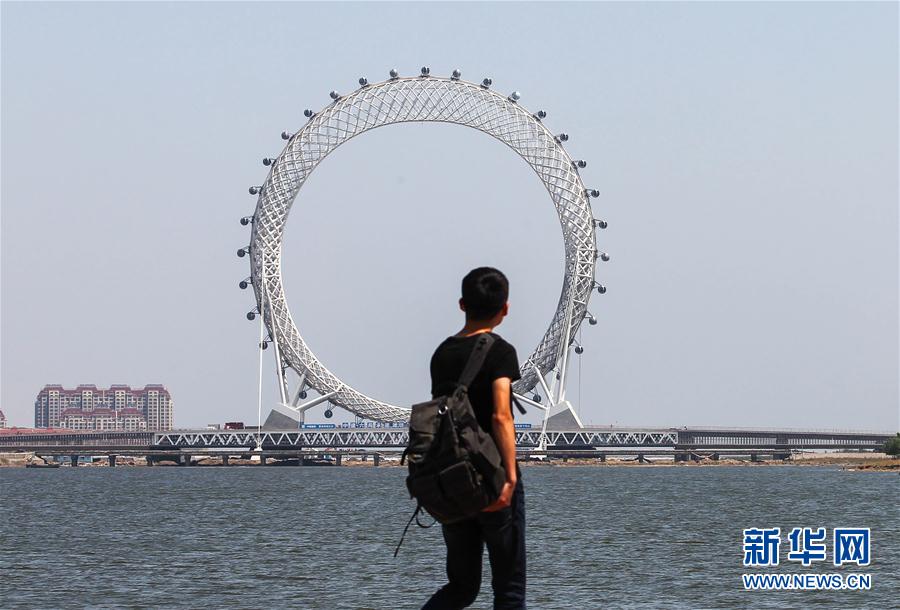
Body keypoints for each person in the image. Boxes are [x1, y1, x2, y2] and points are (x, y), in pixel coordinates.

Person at [422, 267, 526, 610]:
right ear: (505, 308)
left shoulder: (442, 353)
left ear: (462, 304)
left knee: (462, 587)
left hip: (453, 479)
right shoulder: (500, 352)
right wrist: (509, 477)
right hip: (493, 476)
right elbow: (501, 415)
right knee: (508, 590)